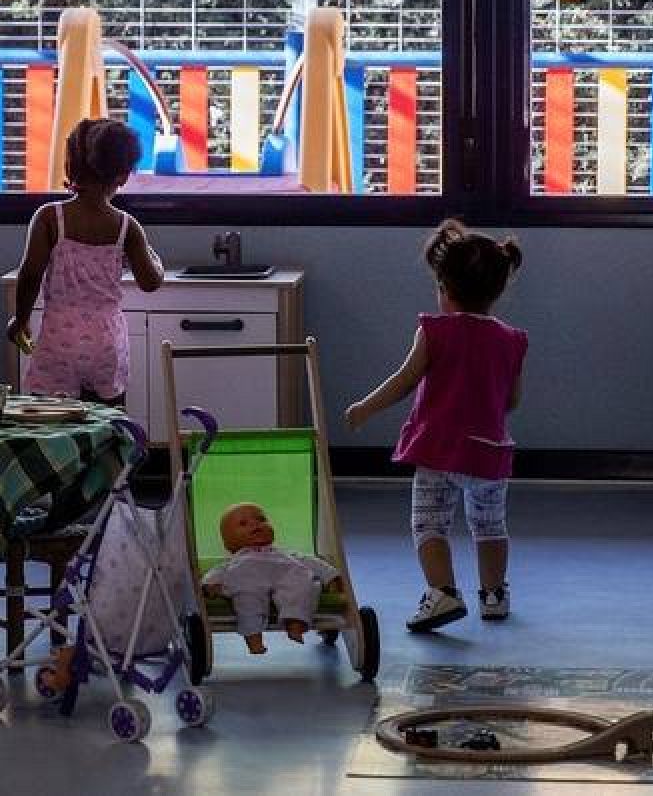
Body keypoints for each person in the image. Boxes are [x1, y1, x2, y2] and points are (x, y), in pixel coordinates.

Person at [345, 220, 527, 633]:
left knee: (429, 524)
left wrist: (365, 408)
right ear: (496, 292)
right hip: (490, 451)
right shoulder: (513, 340)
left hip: (439, 449)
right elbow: (512, 401)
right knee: (490, 525)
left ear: (445, 289)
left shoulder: (435, 331)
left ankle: (442, 593)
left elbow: (404, 381)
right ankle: (495, 596)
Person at [6, 118, 164, 406]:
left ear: (71, 166)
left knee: (50, 425)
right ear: (123, 175)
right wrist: (156, 260)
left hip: (58, 341)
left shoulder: (50, 218)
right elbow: (150, 281)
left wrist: (21, 318)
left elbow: (30, 274)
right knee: (107, 426)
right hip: (106, 344)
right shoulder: (126, 226)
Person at [201, 502, 342, 654]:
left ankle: (296, 623)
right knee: (246, 600)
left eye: (261, 519)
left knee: (304, 584)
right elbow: (217, 572)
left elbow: (311, 562)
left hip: (285, 578)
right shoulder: (233, 561)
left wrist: (330, 576)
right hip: (249, 582)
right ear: (228, 542)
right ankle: (254, 639)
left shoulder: (284, 555)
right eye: (243, 524)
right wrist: (210, 584)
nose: (256, 525)